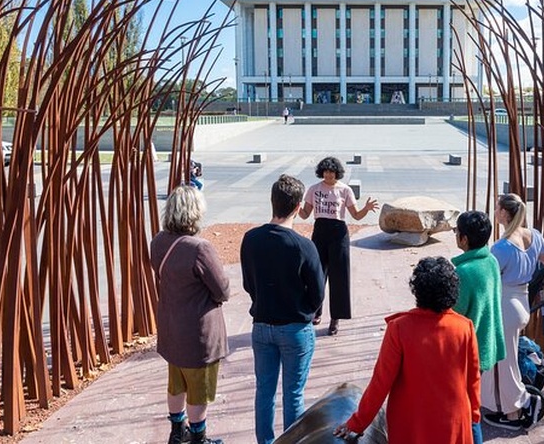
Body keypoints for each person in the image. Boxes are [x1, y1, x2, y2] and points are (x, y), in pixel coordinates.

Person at [333, 257, 481, 443]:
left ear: (417, 290)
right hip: (453, 423)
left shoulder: (399, 328)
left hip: (411, 425)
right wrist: (474, 416)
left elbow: (381, 383)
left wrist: (356, 423)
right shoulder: (465, 327)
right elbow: (473, 380)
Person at [241, 174, 325, 444]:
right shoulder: (304, 246)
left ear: (272, 202)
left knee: (264, 391)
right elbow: (318, 293)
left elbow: (248, 282)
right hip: (295, 326)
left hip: (262, 323)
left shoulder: (251, 239)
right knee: (294, 393)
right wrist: (308, 310)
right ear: (299, 207)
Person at [482, 193, 544, 430]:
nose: (495, 212)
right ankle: (496, 401)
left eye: (497, 209)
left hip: (505, 305)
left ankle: (515, 411)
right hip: (521, 304)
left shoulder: (501, 247)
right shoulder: (534, 236)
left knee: (505, 361)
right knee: (502, 358)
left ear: (504, 213)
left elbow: (488, 280)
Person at [150, 185, 229, 444]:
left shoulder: (159, 241)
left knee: (176, 383)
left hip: (171, 326)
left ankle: (177, 432)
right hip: (198, 332)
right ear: (195, 212)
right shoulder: (200, 248)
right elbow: (222, 289)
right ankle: (199, 437)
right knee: (200, 390)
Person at [298, 156, 378, 336]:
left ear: (337, 173)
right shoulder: (314, 189)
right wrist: (294, 207)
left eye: (331, 172)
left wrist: (366, 208)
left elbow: (356, 216)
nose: (328, 175)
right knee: (316, 274)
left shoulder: (345, 190)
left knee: (339, 276)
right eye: (325, 171)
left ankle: (336, 318)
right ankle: (315, 310)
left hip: (338, 233)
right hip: (319, 231)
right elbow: (305, 214)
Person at [451, 211, 506, 444]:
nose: (455, 235)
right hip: (485, 343)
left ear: (464, 239)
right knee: (470, 404)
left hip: (467, 352)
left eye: (456, 231)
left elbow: (452, 316)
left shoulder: (464, 272)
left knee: (467, 410)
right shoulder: (490, 260)